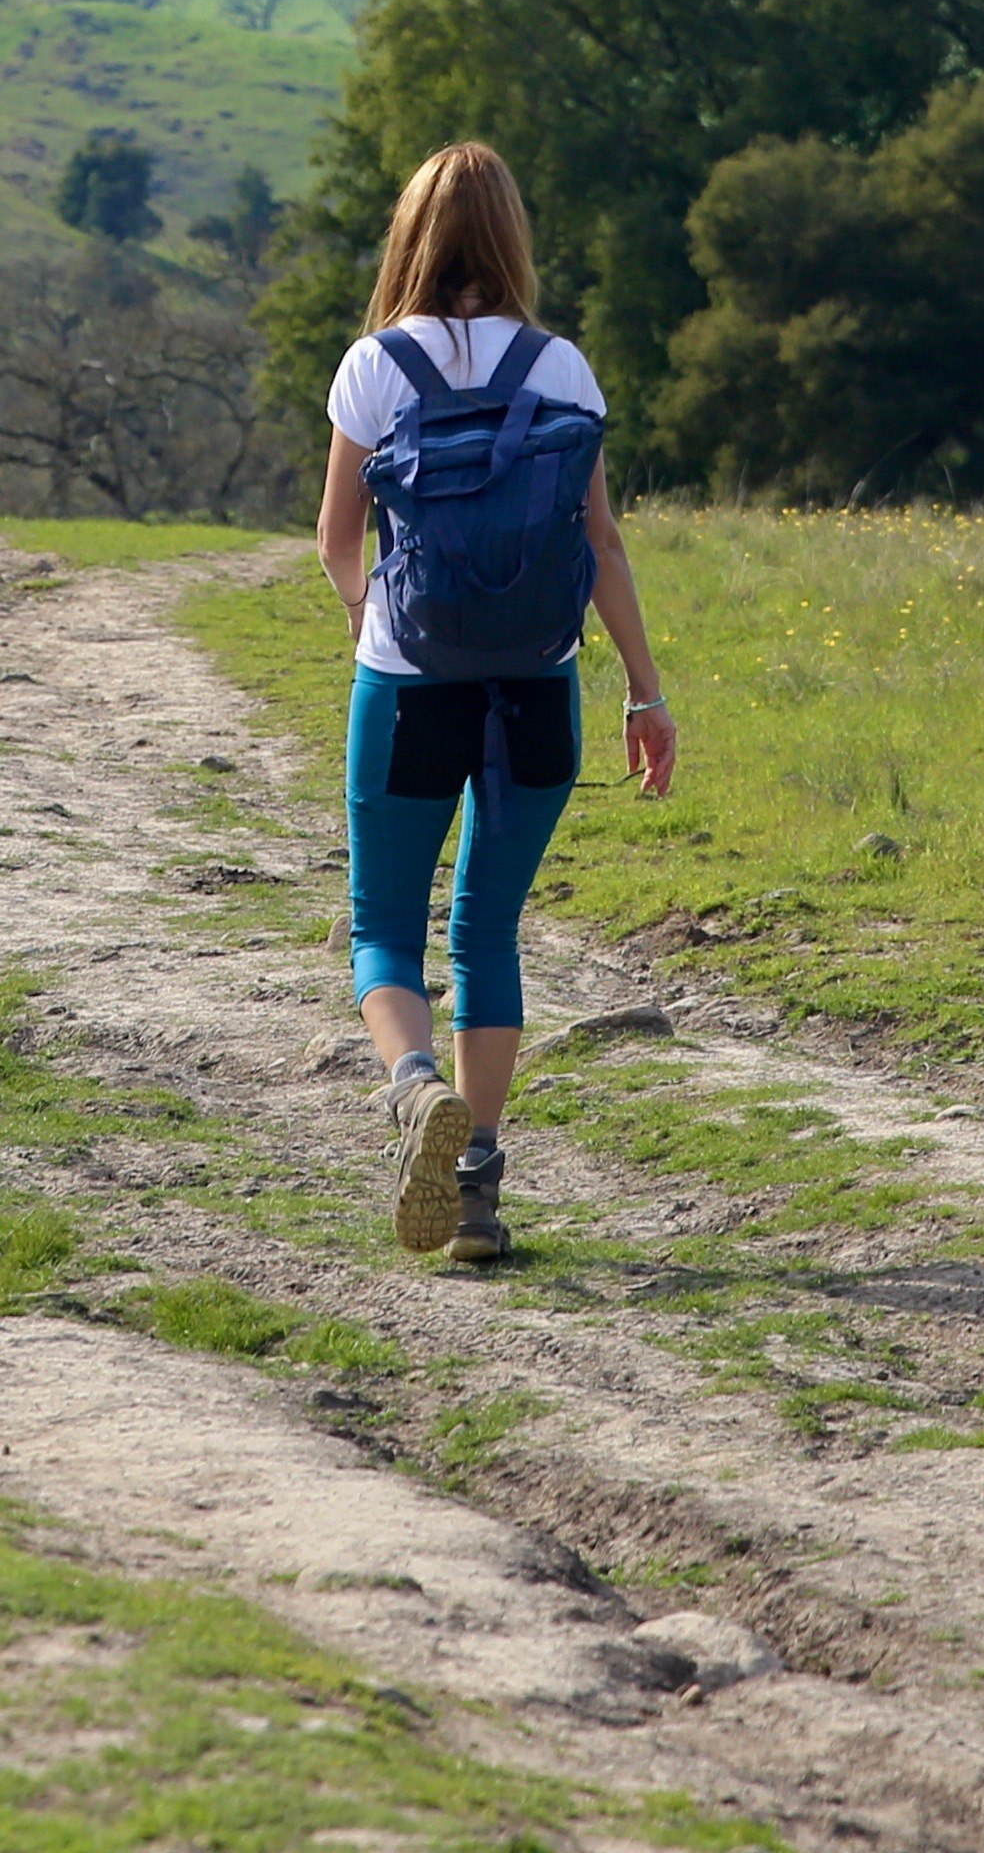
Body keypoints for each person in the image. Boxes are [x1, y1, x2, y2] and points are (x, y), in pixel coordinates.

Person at [314, 140, 675, 1264]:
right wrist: (645, 692)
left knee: (384, 925)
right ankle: (476, 1190)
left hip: (410, 683)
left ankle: (416, 1089)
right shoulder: (562, 368)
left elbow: (335, 545)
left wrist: (385, 627)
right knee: (488, 927)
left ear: (409, 237)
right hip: (539, 684)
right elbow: (601, 542)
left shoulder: (375, 367)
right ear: (513, 237)